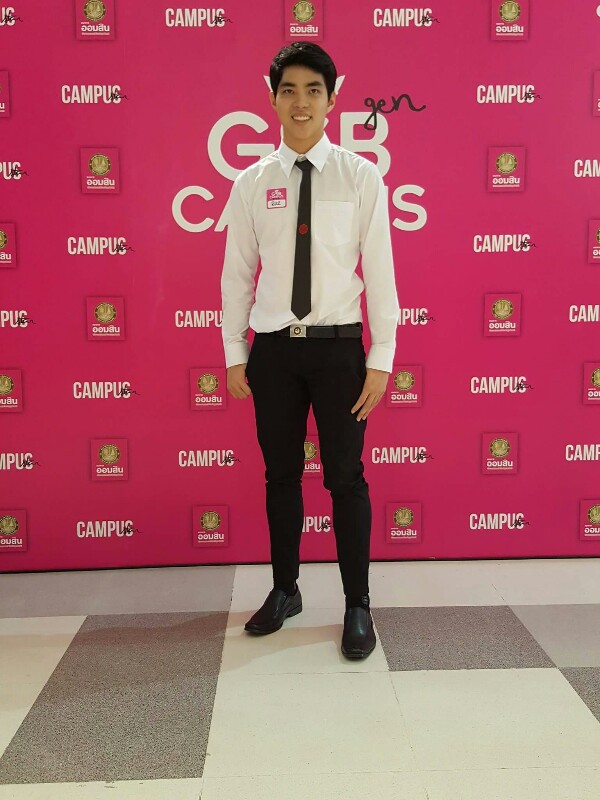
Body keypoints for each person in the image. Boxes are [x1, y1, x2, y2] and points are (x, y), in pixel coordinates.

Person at [220, 42, 399, 658]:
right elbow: (238, 274)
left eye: (314, 91)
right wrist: (234, 349)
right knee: (280, 475)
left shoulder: (360, 176)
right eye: (289, 90)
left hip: (339, 351)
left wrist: (381, 356)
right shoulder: (251, 183)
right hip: (273, 353)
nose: (301, 103)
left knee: (346, 477)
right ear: (272, 98)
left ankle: (357, 604)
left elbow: (380, 271)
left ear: (332, 99)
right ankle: (285, 590)